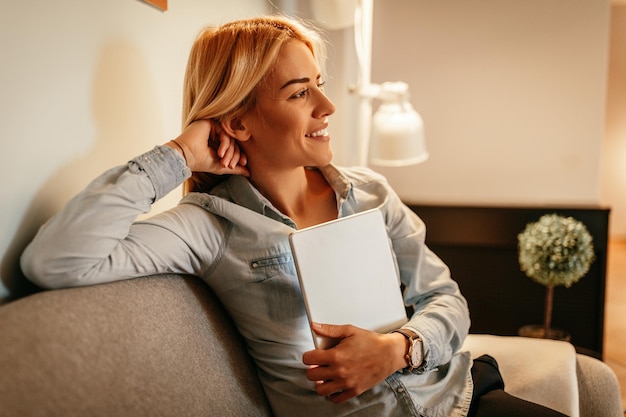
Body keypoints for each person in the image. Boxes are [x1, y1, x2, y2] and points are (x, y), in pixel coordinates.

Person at [21, 15, 567, 417]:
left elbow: (446, 299)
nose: (326, 109)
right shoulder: (207, 227)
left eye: (319, 87)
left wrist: (397, 349)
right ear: (238, 122)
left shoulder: (372, 194)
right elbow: (55, 262)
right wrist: (179, 155)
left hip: (457, 399)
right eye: (300, 93)